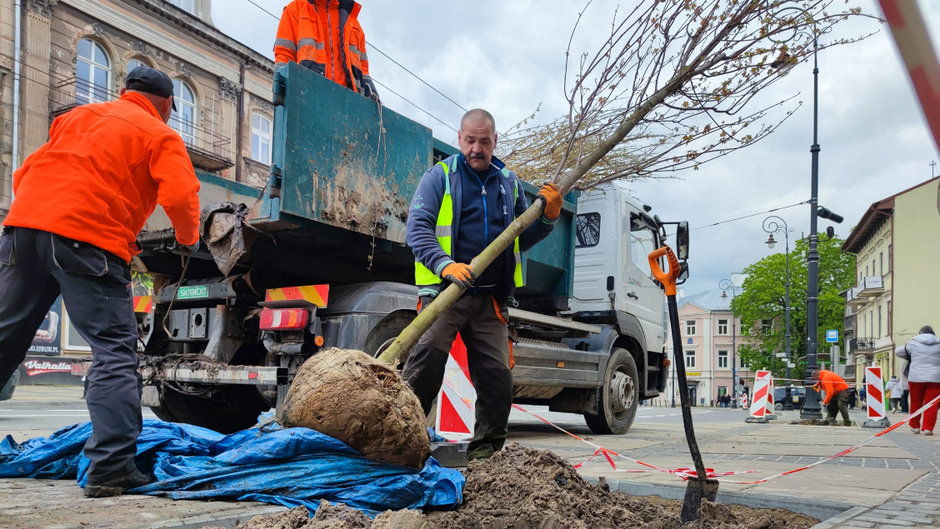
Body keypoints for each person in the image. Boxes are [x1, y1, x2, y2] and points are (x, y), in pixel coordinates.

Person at [0, 66, 201, 497]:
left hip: (23, 229)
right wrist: (189, 240)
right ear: (166, 105)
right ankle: (110, 468)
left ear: (123, 91)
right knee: (113, 352)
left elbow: (26, 171)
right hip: (87, 242)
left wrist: (35, 217)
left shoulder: (74, 118)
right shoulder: (159, 133)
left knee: (3, 339)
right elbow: (182, 196)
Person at [403, 108, 562, 460]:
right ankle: (404, 445)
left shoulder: (508, 182)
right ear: (460, 139)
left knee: (496, 379)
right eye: (470, 140)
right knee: (425, 363)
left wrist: (549, 219)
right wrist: (446, 266)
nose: (476, 148)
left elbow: (520, 236)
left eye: (484, 141)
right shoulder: (439, 176)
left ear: (495, 141)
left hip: (490, 300)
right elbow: (417, 230)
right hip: (445, 294)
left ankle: (485, 458)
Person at [274, 0, 380, 101]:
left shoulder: (354, 25)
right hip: (307, 96)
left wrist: (373, 97)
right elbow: (284, 56)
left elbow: (363, 72)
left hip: (349, 106)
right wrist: (280, 88)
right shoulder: (295, 9)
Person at [895, 325, 940, 435]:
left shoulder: (912, 343)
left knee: (916, 402)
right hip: (935, 378)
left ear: (920, 333)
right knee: (932, 404)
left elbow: (897, 351)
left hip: (916, 377)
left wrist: (909, 356)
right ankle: (928, 428)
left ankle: (915, 426)